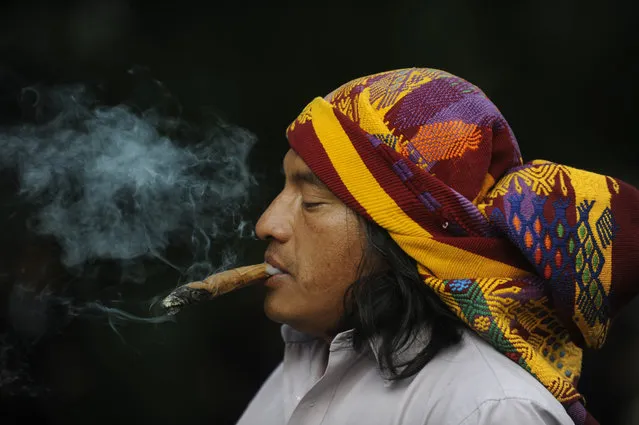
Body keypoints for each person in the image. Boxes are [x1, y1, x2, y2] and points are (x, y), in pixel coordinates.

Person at [235, 68, 639, 425]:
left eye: (311, 202)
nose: (267, 225)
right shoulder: (302, 372)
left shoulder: (488, 409)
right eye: (282, 190)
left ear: (405, 234)